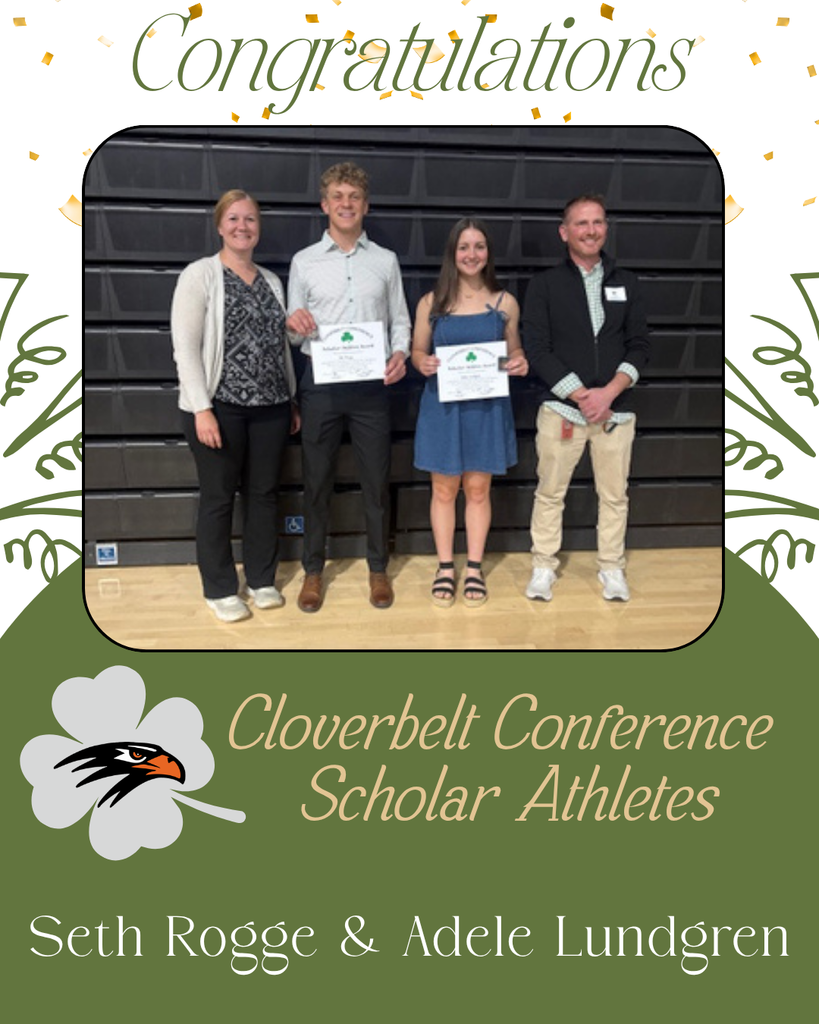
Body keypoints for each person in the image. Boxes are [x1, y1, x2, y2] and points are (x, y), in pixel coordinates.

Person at [287, 162, 411, 613]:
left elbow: (400, 319)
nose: (346, 204)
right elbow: (295, 334)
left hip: (372, 387)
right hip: (319, 384)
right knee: (316, 482)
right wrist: (293, 326)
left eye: (353, 197)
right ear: (325, 204)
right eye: (337, 196)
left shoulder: (385, 261)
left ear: (365, 205)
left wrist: (400, 354)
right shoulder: (304, 261)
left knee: (376, 482)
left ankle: (377, 569)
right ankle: (313, 571)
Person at [171, 189, 300, 622]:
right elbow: (185, 347)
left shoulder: (271, 280)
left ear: (258, 228)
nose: (242, 227)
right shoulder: (200, 275)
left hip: (272, 407)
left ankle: (262, 580)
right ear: (219, 225)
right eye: (234, 219)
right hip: (220, 408)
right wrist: (201, 408)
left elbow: (279, 345)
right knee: (218, 498)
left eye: (250, 219)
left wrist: (292, 398)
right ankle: (220, 588)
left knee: (264, 496)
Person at [523, 193, 650, 603]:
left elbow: (640, 347)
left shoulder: (626, 282)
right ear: (565, 232)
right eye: (581, 223)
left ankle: (612, 569)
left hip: (615, 412)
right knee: (549, 492)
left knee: (614, 496)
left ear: (606, 228)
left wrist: (609, 393)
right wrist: (581, 396)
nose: (591, 230)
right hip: (562, 409)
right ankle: (543, 566)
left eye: (597, 222)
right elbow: (537, 348)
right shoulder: (544, 285)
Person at [411, 218, 528, 607]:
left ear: (488, 254)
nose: (472, 254)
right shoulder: (431, 302)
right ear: (453, 253)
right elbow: (416, 352)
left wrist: (519, 361)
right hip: (442, 409)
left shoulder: (504, 302)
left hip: (487, 408)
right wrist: (421, 363)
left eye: (479, 247)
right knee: (443, 490)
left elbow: (515, 351)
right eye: (464, 247)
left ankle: (474, 566)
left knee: (478, 490)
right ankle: (446, 566)